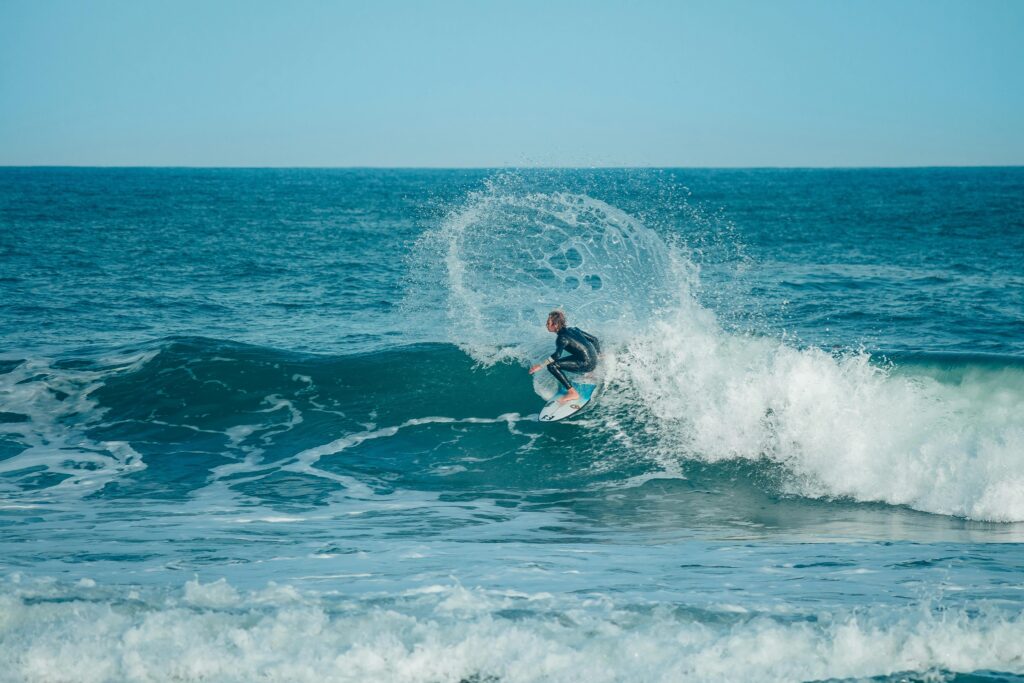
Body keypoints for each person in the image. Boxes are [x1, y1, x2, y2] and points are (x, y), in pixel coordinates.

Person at [529, 310, 601, 404]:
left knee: (552, 366)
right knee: (579, 354)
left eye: (548, 323)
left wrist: (540, 365)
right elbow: (594, 340)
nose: (546, 325)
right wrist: (598, 355)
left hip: (587, 364)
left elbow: (556, 356)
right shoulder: (574, 329)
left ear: (555, 325)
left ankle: (572, 393)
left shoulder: (561, 338)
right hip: (594, 360)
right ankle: (591, 372)